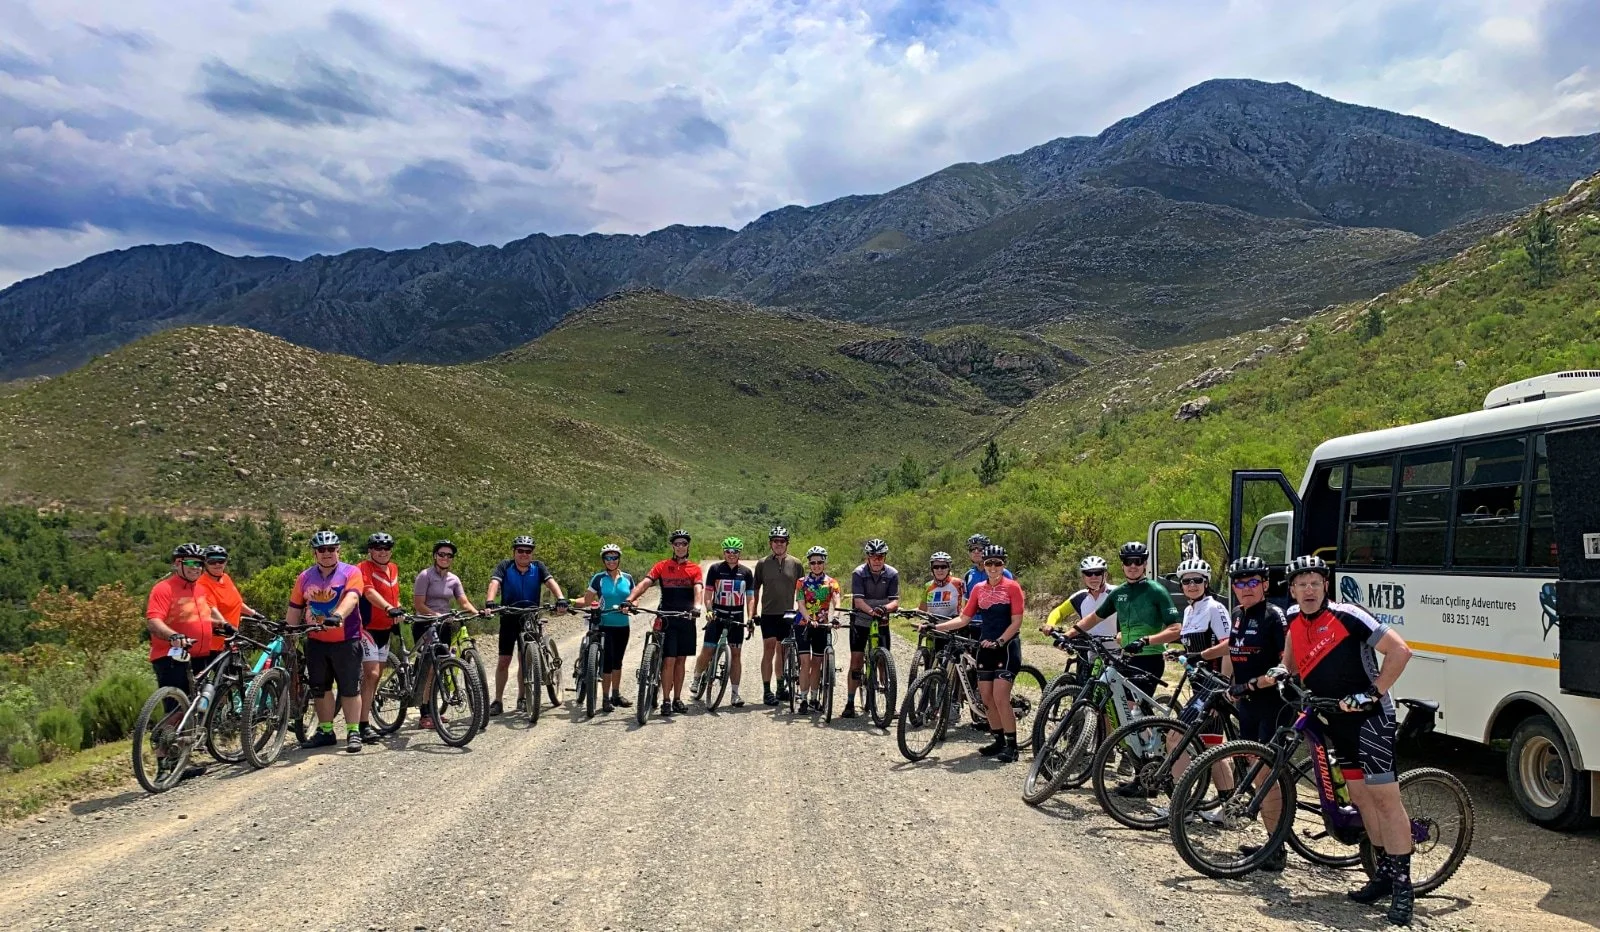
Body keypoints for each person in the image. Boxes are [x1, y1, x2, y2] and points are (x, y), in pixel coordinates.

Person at [1283, 555, 1416, 925]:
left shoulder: (1348, 616)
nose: (1308, 589)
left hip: (1370, 720)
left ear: (1325, 585)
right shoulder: (1293, 619)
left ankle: (1404, 888)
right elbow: (1291, 665)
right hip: (1335, 721)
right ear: (1292, 589)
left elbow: (1401, 651)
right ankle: (1384, 874)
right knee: (1361, 800)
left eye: (1315, 582)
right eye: (1301, 583)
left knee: (1386, 801)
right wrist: (1282, 677)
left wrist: (1373, 693)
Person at [925, 544, 1025, 762]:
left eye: (997, 563)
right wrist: (935, 628)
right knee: (986, 698)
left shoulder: (1012, 587)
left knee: (1000, 697)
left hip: (1006, 648)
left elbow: (1017, 621)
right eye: (989, 563)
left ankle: (1012, 745)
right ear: (985, 565)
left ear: (1003, 565)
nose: (993, 567)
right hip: (985, 647)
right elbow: (964, 618)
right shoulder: (979, 588)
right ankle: (998, 740)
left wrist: (1000, 641)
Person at [1221, 555, 1289, 871]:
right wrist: (1230, 685)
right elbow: (1232, 653)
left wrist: (1250, 685)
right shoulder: (1237, 614)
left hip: (1273, 706)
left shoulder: (1275, 617)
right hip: (1247, 705)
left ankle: (1276, 849)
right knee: (1254, 772)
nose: (1245, 588)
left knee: (1266, 775)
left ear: (1264, 584)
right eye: (1239, 582)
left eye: (1252, 582)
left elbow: (1285, 666)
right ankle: (1270, 839)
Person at [144, 542, 229, 781]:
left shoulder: (198, 589)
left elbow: (200, 616)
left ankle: (181, 760)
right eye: (191, 563)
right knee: (174, 711)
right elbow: (153, 621)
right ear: (177, 563)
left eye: (200, 564)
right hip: (170, 657)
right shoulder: (164, 589)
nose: (197, 568)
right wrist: (173, 636)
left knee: (193, 707)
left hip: (200, 656)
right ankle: (163, 765)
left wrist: (221, 625)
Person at [286, 531, 368, 753]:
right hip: (315, 640)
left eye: (331, 549)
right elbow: (295, 607)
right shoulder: (304, 577)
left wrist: (338, 615)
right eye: (322, 550)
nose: (327, 553)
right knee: (320, 688)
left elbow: (352, 597)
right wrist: (289, 633)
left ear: (338, 550)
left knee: (349, 687)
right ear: (315, 553)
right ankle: (326, 731)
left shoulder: (351, 572)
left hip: (346, 639)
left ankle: (353, 731)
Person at [1065, 541, 1179, 690]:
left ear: (1144, 564)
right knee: (1105, 702)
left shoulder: (1156, 591)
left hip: (1150, 658)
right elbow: (1093, 618)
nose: (1132, 566)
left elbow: (1176, 629)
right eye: (1128, 561)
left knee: (1130, 708)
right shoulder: (1118, 593)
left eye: (1137, 561)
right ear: (1122, 565)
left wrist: (1146, 641)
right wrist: (1068, 635)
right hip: (1125, 658)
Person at [483, 535, 566, 717]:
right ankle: (498, 700)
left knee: (525, 659)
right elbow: (494, 582)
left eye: (528, 551)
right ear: (514, 552)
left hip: (530, 616)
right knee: (504, 661)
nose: (524, 554)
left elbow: (551, 582)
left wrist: (560, 598)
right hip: (509, 616)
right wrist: (490, 601)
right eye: (520, 551)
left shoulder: (538, 567)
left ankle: (522, 697)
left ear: (532, 554)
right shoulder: (505, 566)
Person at [623, 529, 703, 717]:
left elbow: (698, 589)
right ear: (673, 546)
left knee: (681, 660)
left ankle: (677, 699)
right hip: (667, 618)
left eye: (684, 543)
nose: (681, 546)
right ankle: (666, 700)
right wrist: (629, 599)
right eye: (677, 544)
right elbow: (644, 583)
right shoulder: (662, 566)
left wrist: (697, 607)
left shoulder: (694, 569)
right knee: (669, 660)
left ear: (688, 546)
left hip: (686, 618)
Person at [412, 539, 481, 730]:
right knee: (428, 668)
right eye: (441, 554)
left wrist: (479, 613)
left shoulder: (454, 579)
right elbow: (419, 605)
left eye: (449, 555)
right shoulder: (425, 576)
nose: (445, 558)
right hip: (425, 624)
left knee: (439, 667)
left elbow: (464, 603)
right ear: (435, 556)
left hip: (444, 626)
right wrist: (437, 615)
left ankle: (432, 709)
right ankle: (424, 713)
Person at [356, 533, 407, 742]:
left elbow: (394, 594)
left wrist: (398, 609)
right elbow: (368, 592)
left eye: (386, 548)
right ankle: (362, 725)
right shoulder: (363, 568)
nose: (382, 551)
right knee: (372, 673)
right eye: (377, 548)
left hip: (386, 629)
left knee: (375, 677)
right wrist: (388, 607)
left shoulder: (393, 568)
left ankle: (364, 713)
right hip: (367, 627)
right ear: (370, 550)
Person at [574, 543, 633, 712]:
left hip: (623, 625)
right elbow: (586, 600)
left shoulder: (627, 578)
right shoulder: (598, 579)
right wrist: (569, 602)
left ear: (619, 559)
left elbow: (635, 598)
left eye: (614, 557)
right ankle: (606, 698)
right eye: (608, 558)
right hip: (605, 625)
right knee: (607, 663)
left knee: (618, 661)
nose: (611, 561)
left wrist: (631, 605)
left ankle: (616, 695)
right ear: (604, 560)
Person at [697, 537, 755, 707]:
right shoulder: (715, 569)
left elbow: (750, 598)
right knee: (708, 649)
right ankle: (696, 678)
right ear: (723, 552)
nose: (731, 554)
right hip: (717, 615)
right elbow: (708, 594)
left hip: (736, 616)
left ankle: (735, 694)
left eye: (735, 551)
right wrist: (708, 610)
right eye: (728, 551)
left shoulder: (746, 572)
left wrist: (750, 618)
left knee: (736, 655)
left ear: (739, 553)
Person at [845, 538, 899, 719]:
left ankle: (889, 703)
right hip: (861, 619)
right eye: (873, 556)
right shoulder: (859, 573)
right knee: (856, 662)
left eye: (881, 556)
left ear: (884, 557)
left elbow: (895, 601)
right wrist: (871, 611)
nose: (877, 560)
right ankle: (850, 703)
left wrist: (884, 609)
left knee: (884, 661)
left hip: (882, 620)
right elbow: (858, 600)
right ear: (867, 557)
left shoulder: (892, 573)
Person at [751, 526, 803, 706]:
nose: (779, 544)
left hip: (788, 613)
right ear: (770, 543)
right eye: (775, 541)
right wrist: (753, 613)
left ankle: (781, 688)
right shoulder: (762, 563)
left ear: (787, 543)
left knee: (783, 650)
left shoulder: (796, 563)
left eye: (782, 541)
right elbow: (755, 589)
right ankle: (767, 690)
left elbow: (803, 590)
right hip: (768, 613)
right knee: (769, 649)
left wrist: (802, 612)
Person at [793, 546, 841, 712]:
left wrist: (835, 617)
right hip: (803, 625)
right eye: (813, 562)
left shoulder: (832, 582)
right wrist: (808, 619)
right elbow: (800, 603)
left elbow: (836, 600)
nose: (816, 565)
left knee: (817, 663)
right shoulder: (801, 582)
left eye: (819, 562)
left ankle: (814, 698)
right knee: (805, 663)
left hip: (822, 625)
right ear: (809, 564)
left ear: (824, 563)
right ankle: (803, 699)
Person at [196, 545, 264, 655]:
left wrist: (254, 614)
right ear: (205, 563)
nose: (217, 564)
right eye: (212, 561)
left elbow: (236, 602)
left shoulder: (225, 578)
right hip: (212, 643)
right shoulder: (202, 584)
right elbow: (212, 609)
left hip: (229, 639)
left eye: (221, 561)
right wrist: (225, 625)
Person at [1041, 555, 1112, 637]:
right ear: (1083, 577)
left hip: (1118, 648)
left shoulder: (1116, 593)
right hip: (1088, 648)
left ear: (1105, 575)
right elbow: (1059, 611)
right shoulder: (1080, 597)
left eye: (1097, 573)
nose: (1093, 577)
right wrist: (1050, 624)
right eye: (1088, 573)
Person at [919, 551, 963, 621]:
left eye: (943, 567)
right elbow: (922, 609)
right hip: (933, 626)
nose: (939, 570)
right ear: (932, 569)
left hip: (954, 625)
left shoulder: (958, 583)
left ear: (949, 568)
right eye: (936, 567)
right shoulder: (928, 585)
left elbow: (967, 606)